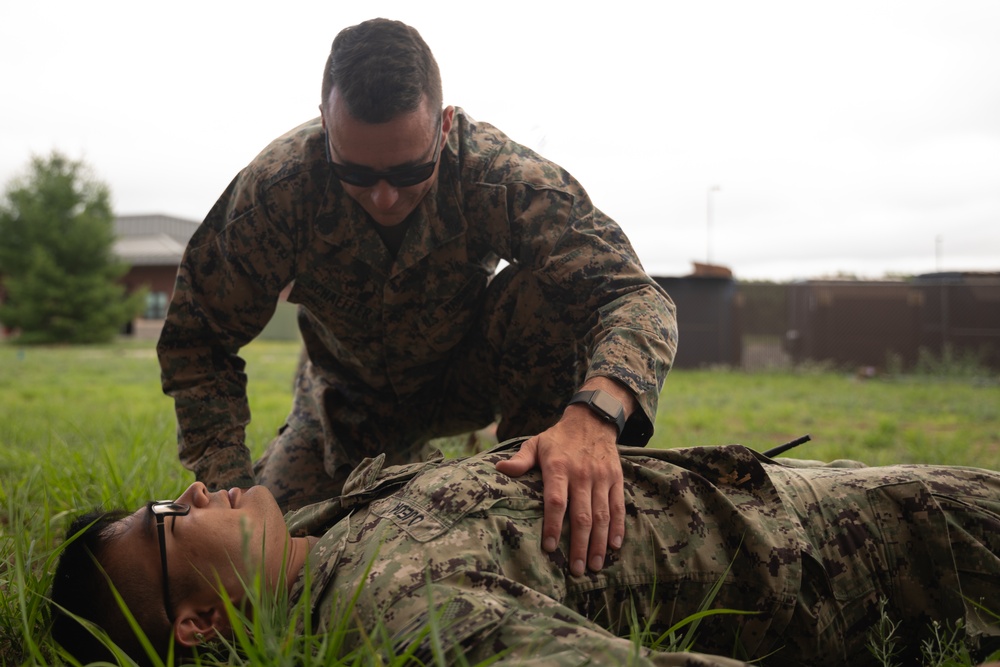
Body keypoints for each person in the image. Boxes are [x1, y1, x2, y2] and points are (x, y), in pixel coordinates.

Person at [155, 17, 677, 578]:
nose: (384, 198)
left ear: (444, 125)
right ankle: (404, 467)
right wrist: (230, 489)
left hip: (463, 378)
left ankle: (531, 482)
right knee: (273, 553)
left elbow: (630, 294)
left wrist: (594, 415)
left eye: (409, 172)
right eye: (355, 172)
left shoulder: (497, 175)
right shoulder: (279, 190)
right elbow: (198, 342)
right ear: (326, 123)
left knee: (547, 296)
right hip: (345, 403)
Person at [51, 438, 1000, 666]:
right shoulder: (398, 612)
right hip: (863, 554)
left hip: (807, 488)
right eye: (169, 515)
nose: (198, 489)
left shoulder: (326, 530)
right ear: (197, 621)